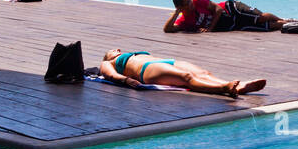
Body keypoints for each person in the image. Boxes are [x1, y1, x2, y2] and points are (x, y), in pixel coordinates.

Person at [99, 48, 265, 97]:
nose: (117, 49)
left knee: (205, 73)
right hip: (146, 69)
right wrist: (126, 80)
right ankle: (223, 88)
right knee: (186, 78)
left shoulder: (132, 53)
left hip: (163, 61)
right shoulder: (107, 62)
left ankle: (238, 86)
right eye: (113, 49)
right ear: (109, 55)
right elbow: (110, 75)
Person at [164, 0, 284, 32]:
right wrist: (176, 13)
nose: (191, 3)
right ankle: (292, 24)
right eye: (187, 3)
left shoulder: (198, 0)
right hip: (231, 24)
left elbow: (218, 9)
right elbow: (168, 29)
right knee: (268, 26)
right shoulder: (185, 21)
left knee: (261, 18)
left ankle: (285, 20)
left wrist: (210, 28)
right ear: (180, 7)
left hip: (231, 9)